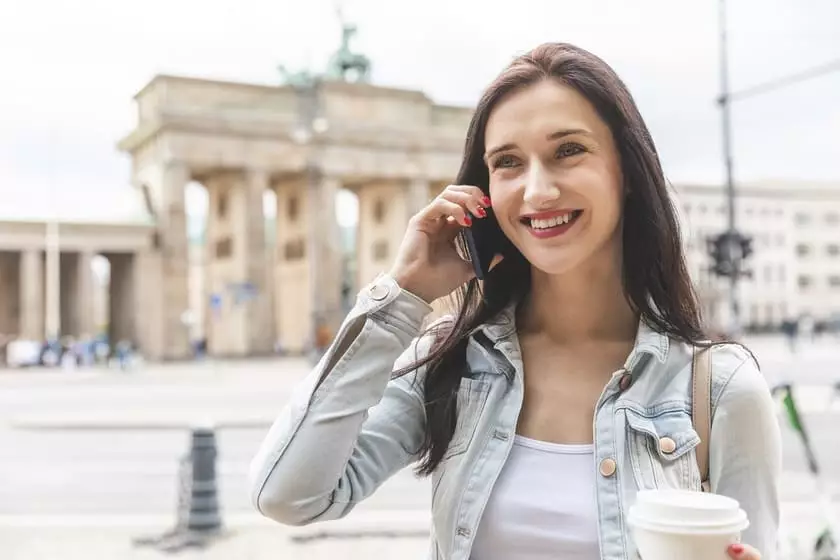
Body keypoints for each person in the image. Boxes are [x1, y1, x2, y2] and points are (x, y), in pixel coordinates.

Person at [249, 43, 780, 560]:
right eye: (507, 162)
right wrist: (402, 295)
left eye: (567, 151)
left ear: (628, 172)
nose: (537, 190)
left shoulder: (720, 393)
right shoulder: (451, 360)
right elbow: (289, 495)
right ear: (483, 193)